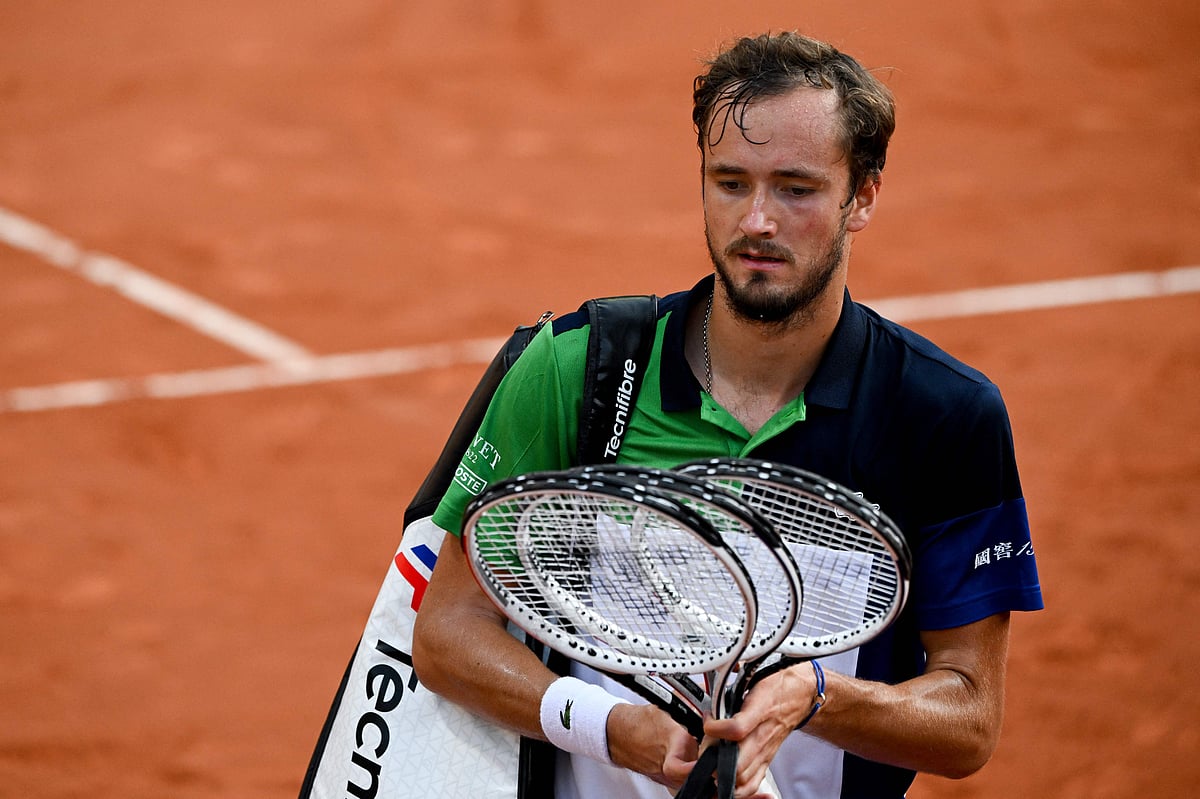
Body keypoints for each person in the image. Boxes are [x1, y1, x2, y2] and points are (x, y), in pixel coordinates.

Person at [411, 30, 1043, 799]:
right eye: (731, 182)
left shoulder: (943, 416)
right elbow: (448, 633)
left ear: (864, 195)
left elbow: (970, 716)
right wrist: (612, 728)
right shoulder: (578, 372)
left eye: (797, 188)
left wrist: (818, 698)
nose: (757, 223)